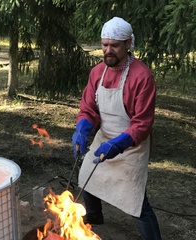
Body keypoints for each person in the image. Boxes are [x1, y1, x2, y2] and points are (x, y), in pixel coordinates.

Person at [72, 17, 162, 240]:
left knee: (136, 201)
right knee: (86, 176)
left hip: (132, 144)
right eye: (104, 45)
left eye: (114, 45)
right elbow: (89, 108)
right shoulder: (97, 72)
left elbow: (142, 124)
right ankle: (94, 216)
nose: (108, 50)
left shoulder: (142, 76)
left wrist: (119, 143)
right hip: (105, 136)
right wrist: (82, 128)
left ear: (128, 43)